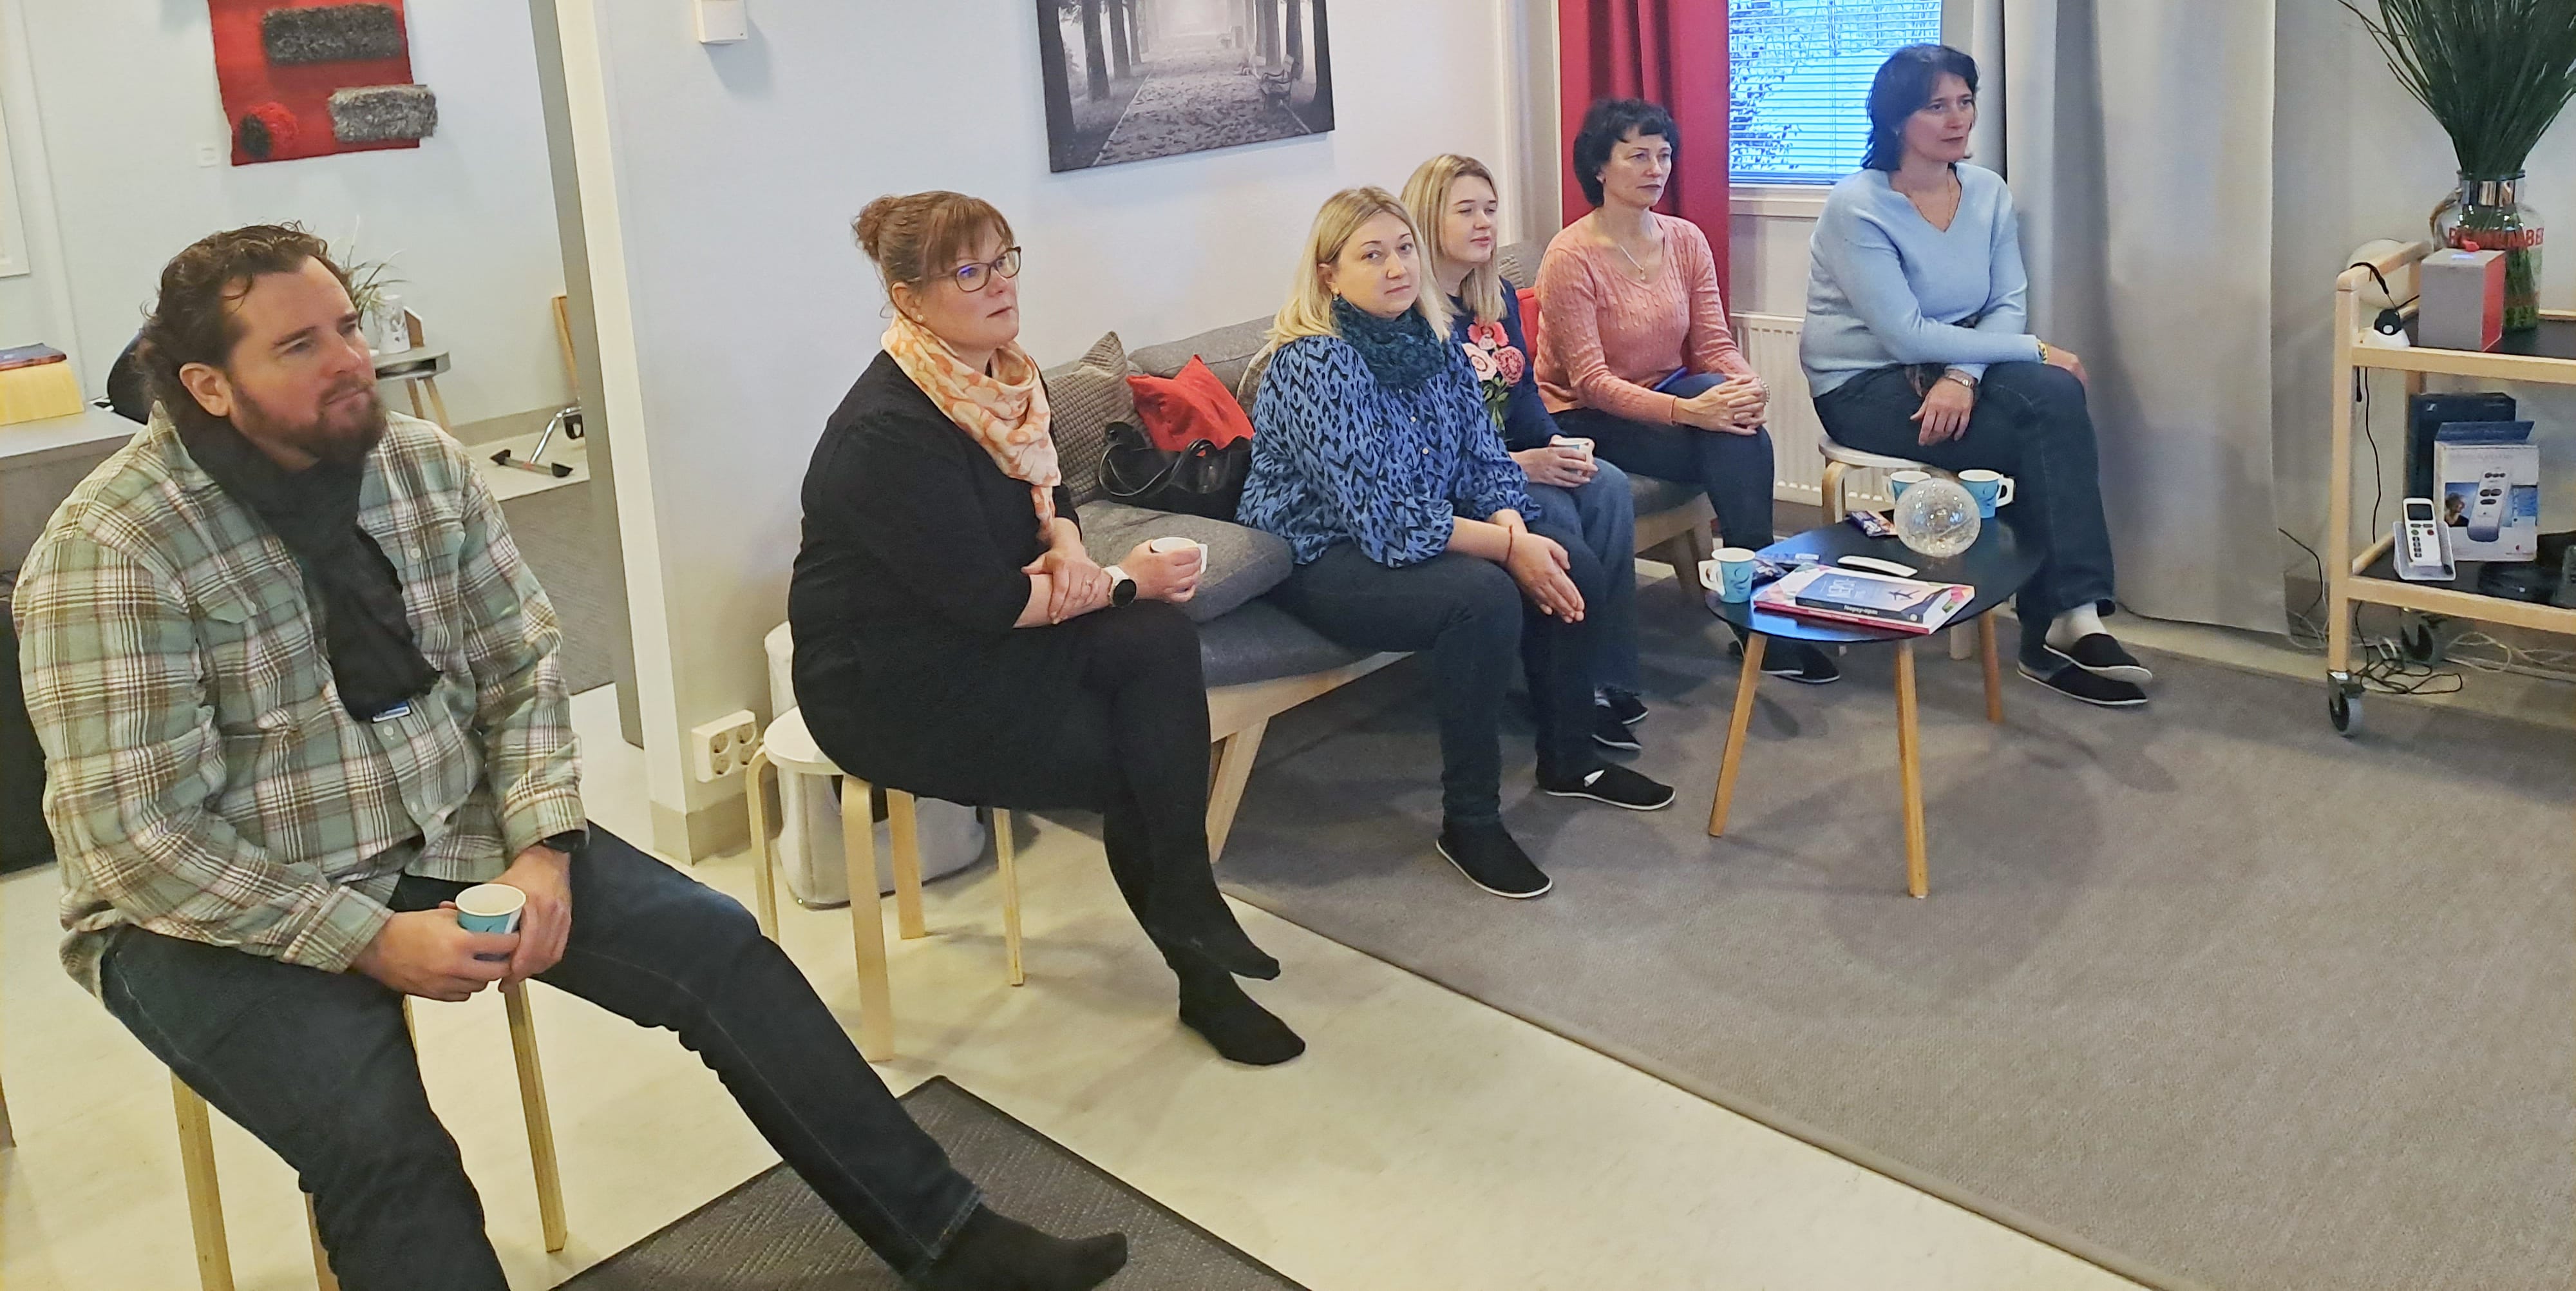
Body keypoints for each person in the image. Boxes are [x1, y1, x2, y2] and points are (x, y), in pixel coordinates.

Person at [13, 225, 1128, 1291]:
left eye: (349, 326)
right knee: (382, 1138)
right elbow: (140, 835)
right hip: (217, 907)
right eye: (301, 345)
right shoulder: (113, 543)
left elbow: (521, 664)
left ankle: (949, 1235)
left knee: (725, 950)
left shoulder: (416, 465)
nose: (353, 359)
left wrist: (543, 845)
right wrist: (370, 937)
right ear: (209, 383)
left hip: (451, 831)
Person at [791, 191, 1303, 1067]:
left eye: (1003, 260)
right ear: (910, 299)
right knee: (1134, 750)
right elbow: (989, 602)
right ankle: (1200, 957)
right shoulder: (888, 432)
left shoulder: (1003, 379)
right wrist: (1118, 582)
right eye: (969, 271)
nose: (999, 285)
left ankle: (1193, 926)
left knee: (1158, 645)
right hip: (893, 680)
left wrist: (1070, 547)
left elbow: (1051, 499)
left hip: (982, 638)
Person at [1237, 186, 1676, 903]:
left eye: (1403, 248)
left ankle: (1571, 761)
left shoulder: (1435, 340)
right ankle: (1468, 821)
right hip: (1321, 555)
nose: (1395, 268)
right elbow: (1386, 520)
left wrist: (1515, 529)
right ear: (1328, 274)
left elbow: (1483, 461)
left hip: (1418, 523)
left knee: (1573, 566)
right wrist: (1509, 553)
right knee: (1482, 599)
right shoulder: (1315, 363)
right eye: (1370, 255)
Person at [1801, 44, 2147, 707]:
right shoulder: (1857, 206)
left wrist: (1962, 373)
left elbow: (2006, 300)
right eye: (1936, 106)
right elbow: (1901, 333)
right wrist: (2032, 351)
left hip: (1958, 366)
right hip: (1863, 383)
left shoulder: (1985, 190)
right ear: (1898, 119)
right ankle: (2054, 629)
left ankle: (2071, 618)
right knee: (2039, 422)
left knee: (2055, 396)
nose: (1957, 118)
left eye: (1964, 101)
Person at [1536, 97, 1840, 685]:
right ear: (1600, 168)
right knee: (1727, 438)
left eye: (1664, 155)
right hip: (1583, 417)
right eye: (1637, 156)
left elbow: (1713, 343)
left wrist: (1745, 384)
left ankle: (1755, 609)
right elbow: (1592, 384)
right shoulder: (1570, 256)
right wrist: (1691, 410)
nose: (1656, 169)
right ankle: (1760, 620)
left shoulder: (1685, 239)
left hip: (1667, 398)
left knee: (1736, 423)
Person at [1403, 152, 1649, 752]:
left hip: (1512, 455)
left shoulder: (1497, 296)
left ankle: (1606, 673)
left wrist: (1554, 442)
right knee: (1555, 512)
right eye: (1466, 211)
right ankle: (1563, 688)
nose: (1485, 222)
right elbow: (1429, 448)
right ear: (1427, 219)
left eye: (1490, 209)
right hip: (1458, 480)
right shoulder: (1407, 314)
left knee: (1608, 484)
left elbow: (1525, 393)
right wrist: (1522, 466)